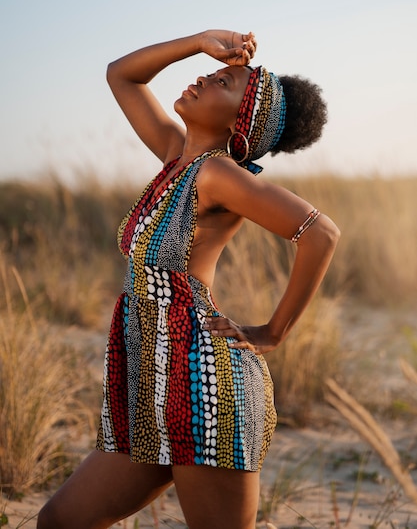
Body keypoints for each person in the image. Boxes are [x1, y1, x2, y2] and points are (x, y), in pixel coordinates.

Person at [37, 29, 340, 529]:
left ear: (241, 126)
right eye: (212, 72)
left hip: (205, 388)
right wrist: (200, 41)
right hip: (152, 380)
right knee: (60, 521)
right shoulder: (178, 157)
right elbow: (121, 75)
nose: (203, 77)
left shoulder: (218, 173)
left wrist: (273, 332)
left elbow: (319, 233)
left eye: (223, 82)